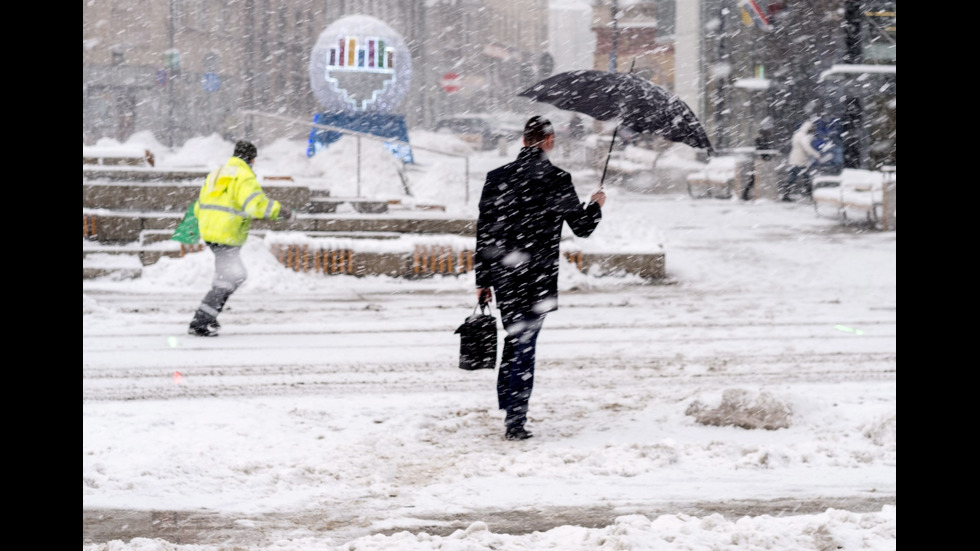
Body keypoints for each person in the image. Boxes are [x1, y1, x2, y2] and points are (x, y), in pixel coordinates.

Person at [475, 116, 606, 441]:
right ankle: (515, 420)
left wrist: (483, 279)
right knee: (525, 345)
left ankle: (509, 404)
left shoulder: (498, 178)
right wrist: (595, 205)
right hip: (538, 279)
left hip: (506, 275)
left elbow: (484, 233)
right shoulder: (557, 178)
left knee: (515, 337)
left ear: (523, 140)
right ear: (548, 141)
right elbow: (583, 228)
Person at [187, 140, 293, 337]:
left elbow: (198, 204)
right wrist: (283, 211)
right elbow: (256, 205)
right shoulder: (244, 176)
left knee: (228, 275)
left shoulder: (217, 173)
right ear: (252, 159)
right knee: (233, 276)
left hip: (210, 231)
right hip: (227, 233)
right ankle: (201, 321)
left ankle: (208, 316)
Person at [781, 120, 824, 201]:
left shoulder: (797, 134)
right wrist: (817, 155)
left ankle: (786, 194)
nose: (812, 132)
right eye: (811, 130)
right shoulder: (804, 136)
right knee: (803, 178)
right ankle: (810, 195)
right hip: (800, 160)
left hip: (795, 159)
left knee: (797, 177)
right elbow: (806, 147)